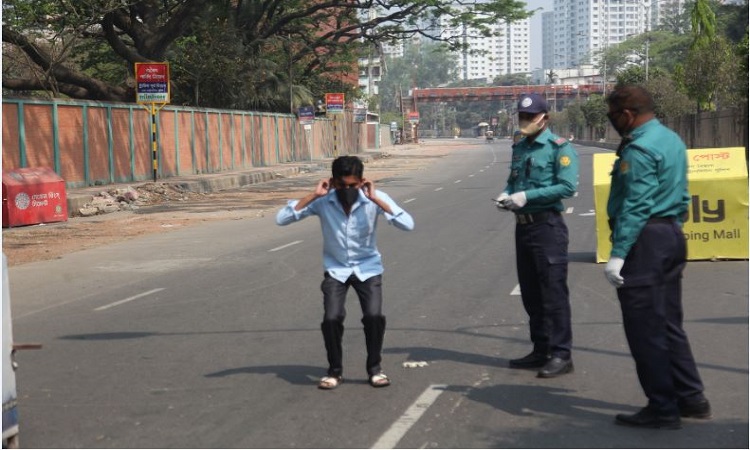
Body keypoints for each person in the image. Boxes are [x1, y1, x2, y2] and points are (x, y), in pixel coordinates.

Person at [604, 85, 710, 429]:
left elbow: (636, 204)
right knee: (668, 324)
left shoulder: (639, 148)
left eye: (613, 116)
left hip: (645, 240)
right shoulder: (671, 139)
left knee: (645, 329)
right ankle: (691, 398)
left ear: (628, 114)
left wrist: (619, 253)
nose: (613, 122)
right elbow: (681, 193)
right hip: (670, 235)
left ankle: (662, 406)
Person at [275, 155, 414, 390]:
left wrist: (377, 200)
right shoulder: (323, 201)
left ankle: (375, 368)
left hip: (367, 268)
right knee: (331, 318)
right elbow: (282, 219)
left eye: (353, 185)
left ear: (362, 182)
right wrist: (314, 195)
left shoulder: (375, 199)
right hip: (336, 269)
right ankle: (334, 371)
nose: (347, 190)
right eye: (342, 185)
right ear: (333, 182)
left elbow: (408, 224)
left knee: (373, 317)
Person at [495, 93, 579, 378]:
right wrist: (507, 193)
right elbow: (512, 179)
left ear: (545, 118)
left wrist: (526, 196)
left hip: (547, 227)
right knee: (531, 293)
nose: (525, 122)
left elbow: (567, 187)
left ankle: (561, 354)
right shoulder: (519, 147)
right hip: (523, 226)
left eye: (531, 117)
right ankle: (540, 348)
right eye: (522, 117)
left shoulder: (559, 148)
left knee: (553, 293)